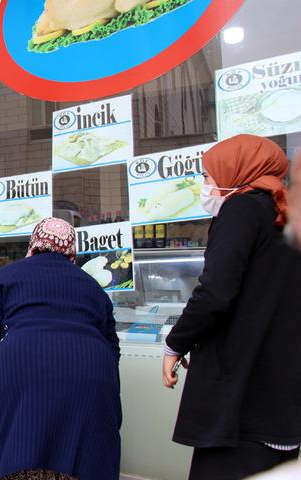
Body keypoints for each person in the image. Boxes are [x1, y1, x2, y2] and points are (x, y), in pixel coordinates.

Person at [161, 135, 301, 479]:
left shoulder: (242, 209)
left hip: (242, 398)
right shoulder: (283, 212)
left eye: (208, 177)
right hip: (280, 397)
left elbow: (214, 293)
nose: (205, 186)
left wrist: (174, 343)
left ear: (235, 172)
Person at [0, 217, 121, 480]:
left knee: (20, 459)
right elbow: (112, 349)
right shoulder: (92, 287)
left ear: (33, 245)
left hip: (24, 366)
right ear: (71, 252)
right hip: (92, 370)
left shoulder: (7, 276)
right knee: (86, 460)